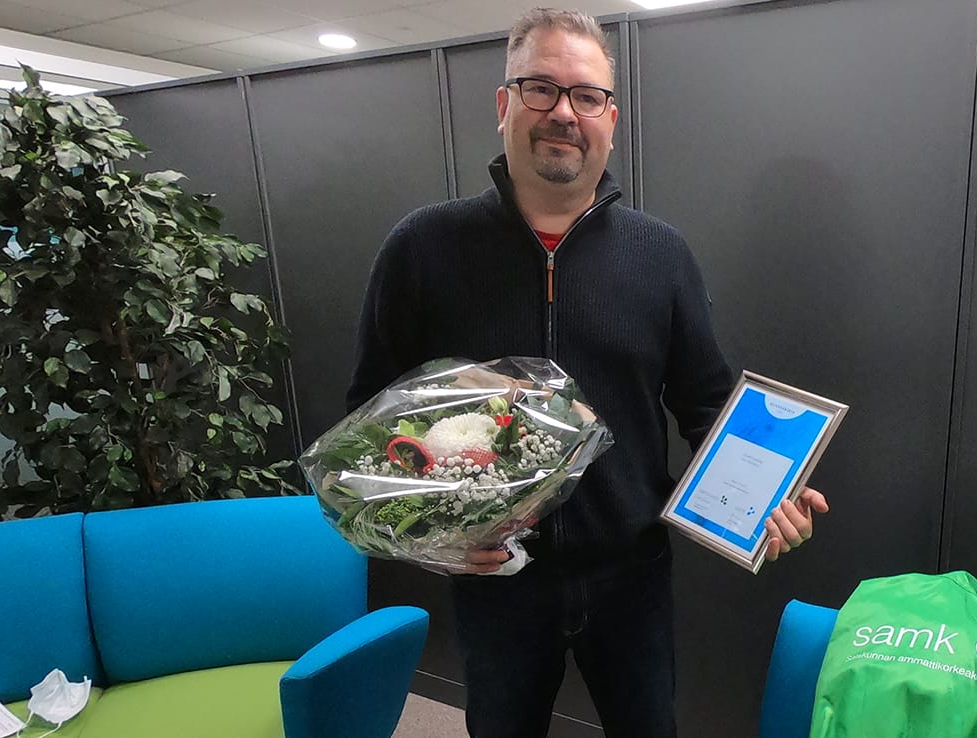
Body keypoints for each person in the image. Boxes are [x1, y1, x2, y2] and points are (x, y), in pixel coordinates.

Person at [346, 8, 829, 737]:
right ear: (504, 105)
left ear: (610, 116)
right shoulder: (423, 248)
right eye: (540, 89)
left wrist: (767, 492)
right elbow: (370, 421)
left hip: (630, 579)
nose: (563, 113)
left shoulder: (659, 253)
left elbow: (703, 403)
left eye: (586, 95)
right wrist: (430, 538)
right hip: (497, 585)